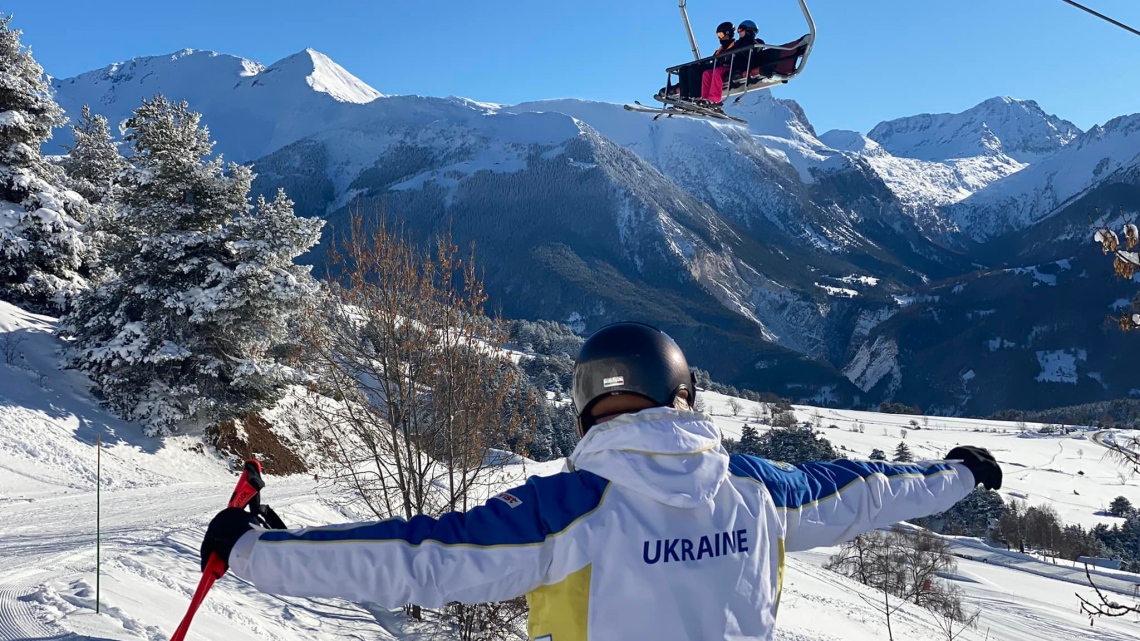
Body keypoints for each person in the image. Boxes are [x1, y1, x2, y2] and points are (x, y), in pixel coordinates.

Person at [200, 321, 1003, 641]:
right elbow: (870, 489)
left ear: (584, 415)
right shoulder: (760, 488)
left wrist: (254, 550)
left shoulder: (572, 508)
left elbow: (418, 555)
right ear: (684, 393)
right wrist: (958, 473)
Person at [699, 22, 740, 106]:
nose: (719, 38)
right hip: (721, 68)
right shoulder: (720, 50)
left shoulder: (736, 46)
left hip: (732, 68)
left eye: (721, 35)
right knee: (707, 73)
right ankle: (704, 99)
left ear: (728, 33)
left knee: (717, 72)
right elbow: (714, 61)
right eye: (718, 35)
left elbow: (739, 59)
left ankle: (714, 99)